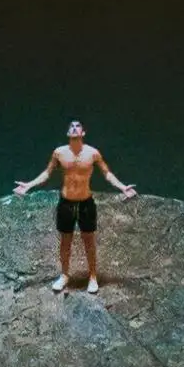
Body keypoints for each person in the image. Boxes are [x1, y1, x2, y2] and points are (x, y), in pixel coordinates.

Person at [14, 120, 137, 292]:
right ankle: (64, 275)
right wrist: (29, 185)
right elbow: (47, 173)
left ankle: (93, 276)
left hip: (86, 202)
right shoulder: (59, 153)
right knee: (65, 241)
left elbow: (107, 173)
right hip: (66, 203)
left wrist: (123, 187)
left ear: (83, 132)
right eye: (71, 126)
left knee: (89, 241)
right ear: (68, 133)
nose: (74, 128)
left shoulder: (93, 153)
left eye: (77, 126)